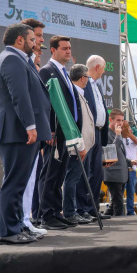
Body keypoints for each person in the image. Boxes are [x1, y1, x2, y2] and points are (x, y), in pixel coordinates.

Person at [0, 23, 52, 244]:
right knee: (14, 183)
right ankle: (9, 232)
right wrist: (30, 126)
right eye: (32, 39)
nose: (35, 43)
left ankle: (19, 226)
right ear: (20, 40)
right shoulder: (11, 59)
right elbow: (19, 95)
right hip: (16, 131)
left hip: (19, 131)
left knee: (19, 184)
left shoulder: (17, 59)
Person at [38, 35, 82, 229]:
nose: (68, 51)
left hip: (66, 133)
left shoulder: (64, 72)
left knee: (59, 175)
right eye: (64, 48)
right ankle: (46, 215)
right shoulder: (47, 71)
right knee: (49, 174)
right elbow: (45, 102)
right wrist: (49, 129)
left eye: (69, 48)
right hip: (54, 133)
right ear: (53, 50)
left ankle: (56, 212)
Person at [19, 17, 47, 233]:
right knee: (22, 180)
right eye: (37, 37)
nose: (40, 41)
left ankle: (26, 221)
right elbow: (21, 97)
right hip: (23, 131)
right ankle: (20, 223)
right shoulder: (18, 61)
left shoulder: (30, 63)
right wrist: (30, 126)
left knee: (30, 181)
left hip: (34, 132)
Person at [78, 54, 110, 221]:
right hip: (87, 132)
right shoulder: (84, 85)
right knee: (85, 171)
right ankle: (81, 209)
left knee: (97, 173)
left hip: (98, 132)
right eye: (103, 69)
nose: (103, 72)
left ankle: (93, 209)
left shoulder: (96, 86)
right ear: (97, 67)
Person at [64, 63, 95, 224]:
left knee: (77, 179)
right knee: (72, 178)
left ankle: (76, 210)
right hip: (78, 145)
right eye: (87, 77)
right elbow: (76, 123)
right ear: (83, 78)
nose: (88, 80)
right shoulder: (74, 94)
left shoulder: (78, 93)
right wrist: (80, 145)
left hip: (83, 145)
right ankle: (70, 212)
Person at [104, 110, 133, 216]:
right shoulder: (106, 134)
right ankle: (119, 220)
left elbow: (120, 154)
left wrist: (130, 162)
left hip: (121, 173)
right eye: (118, 120)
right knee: (118, 203)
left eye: (122, 120)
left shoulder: (117, 134)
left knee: (114, 203)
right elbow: (111, 152)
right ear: (110, 120)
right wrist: (118, 135)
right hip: (113, 174)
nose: (120, 123)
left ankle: (107, 216)